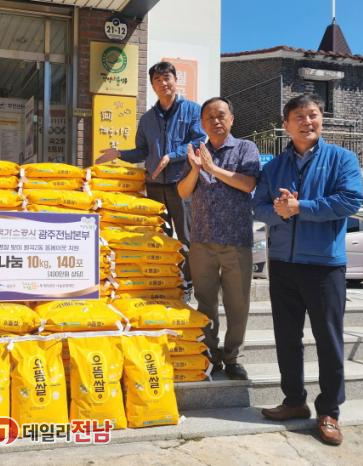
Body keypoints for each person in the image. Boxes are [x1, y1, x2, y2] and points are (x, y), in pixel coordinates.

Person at [253, 94, 363, 446]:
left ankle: (329, 411)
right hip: (283, 264)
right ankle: (294, 401)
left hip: (324, 266)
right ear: (286, 125)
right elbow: (257, 206)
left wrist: (301, 206)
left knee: (328, 340)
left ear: (321, 119)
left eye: (313, 114)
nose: (307, 122)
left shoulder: (342, 159)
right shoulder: (274, 167)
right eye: (298, 116)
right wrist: (280, 211)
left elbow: (350, 200)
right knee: (287, 337)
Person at [95, 61, 206, 296]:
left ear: (175, 80)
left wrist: (172, 156)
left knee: (186, 238)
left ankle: (186, 286)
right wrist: (120, 153)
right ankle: (164, 284)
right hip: (155, 186)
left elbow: (199, 140)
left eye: (167, 78)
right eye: (157, 80)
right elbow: (142, 151)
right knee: (158, 237)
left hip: (182, 185)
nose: (163, 83)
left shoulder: (193, 110)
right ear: (153, 85)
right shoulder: (147, 119)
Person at [177, 97, 259, 380]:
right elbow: (183, 192)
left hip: (236, 239)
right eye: (209, 117)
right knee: (206, 301)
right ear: (202, 123)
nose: (215, 121)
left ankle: (233, 356)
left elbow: (248, 183)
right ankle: (210, 352)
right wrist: (196, 169)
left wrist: (213, 170)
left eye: (221, 115)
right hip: (202, 239)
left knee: (238, 303)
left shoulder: (246, 148)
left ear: (232, 119)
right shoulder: (197, 151)